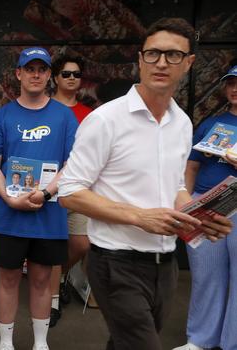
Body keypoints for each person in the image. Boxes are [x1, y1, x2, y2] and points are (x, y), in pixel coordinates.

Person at [58, 18, 233, 350]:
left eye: (173, 55)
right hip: (114, 262)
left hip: (165, 265)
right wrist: (139, 216)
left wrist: (198, 216)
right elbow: (69, 191)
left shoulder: (181, 123)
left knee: (124, 343)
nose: (162, 63)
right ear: (140, 60)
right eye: (153, 54)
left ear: (189, 63)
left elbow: (175, 188)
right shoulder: (105, 120)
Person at [0, 47, 78, 350]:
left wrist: (47, 192)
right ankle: (6, 343)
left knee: (40, 280)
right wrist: (9, 199)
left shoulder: (64, 117)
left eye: (42, 69)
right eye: (30, 69)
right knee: (8, 279)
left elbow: (72, 165)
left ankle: (40, 343)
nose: (36, 74)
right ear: (19, 74)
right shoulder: (2, 116)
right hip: (9, 215)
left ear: (49, 75)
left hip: (48, 214)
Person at [174, 64, 237, 350]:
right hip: (208, 203)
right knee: (206, 273)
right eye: (230, 83)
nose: (235, 89)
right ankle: (199, 339)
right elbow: (191, 164)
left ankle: (231, 342)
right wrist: (186, 202)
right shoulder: (212, 124)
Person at [48, 55, 96, 327]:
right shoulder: (43, 107)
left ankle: (62, 277)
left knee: (80, 244)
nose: (71, 78)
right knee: (55, 246)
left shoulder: (90, 114)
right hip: (49, 189)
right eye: (65, 74)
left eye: (76, 74)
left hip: (79, 187)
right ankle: (52, 301)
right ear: (55, 78)